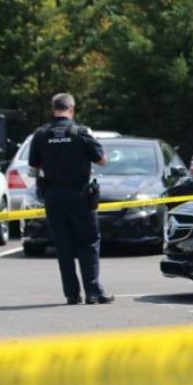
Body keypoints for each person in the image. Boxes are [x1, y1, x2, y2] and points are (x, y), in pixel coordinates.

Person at [28, 93, 114, 305]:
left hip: (53, 195)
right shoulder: (80, 132)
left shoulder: (41, 134)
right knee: (89, 242)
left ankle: (71, 294)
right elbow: (102, 160)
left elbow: (33, 165)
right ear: (72, 109)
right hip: (79, 194)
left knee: (63, 245)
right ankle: (93, 292)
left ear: (52, 109)